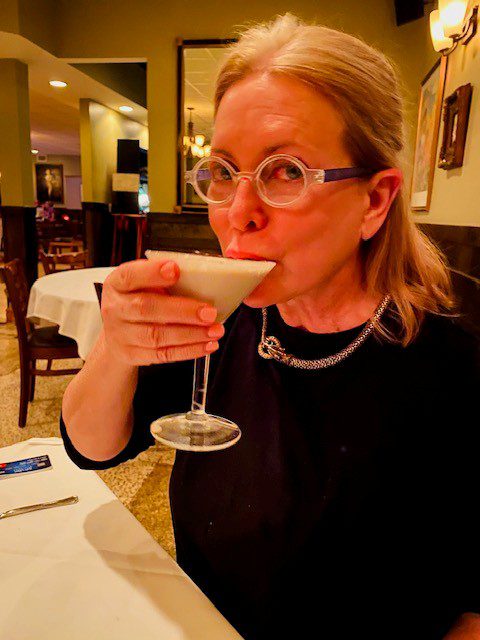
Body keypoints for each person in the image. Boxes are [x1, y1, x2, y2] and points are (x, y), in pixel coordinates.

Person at [61, 14, 480, 640]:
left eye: (286, 172)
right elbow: (92, 446)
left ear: (375, 200)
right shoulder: (218, 314)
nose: (238, 213)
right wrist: (117, 348)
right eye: (224, 171)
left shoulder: (458, 353)